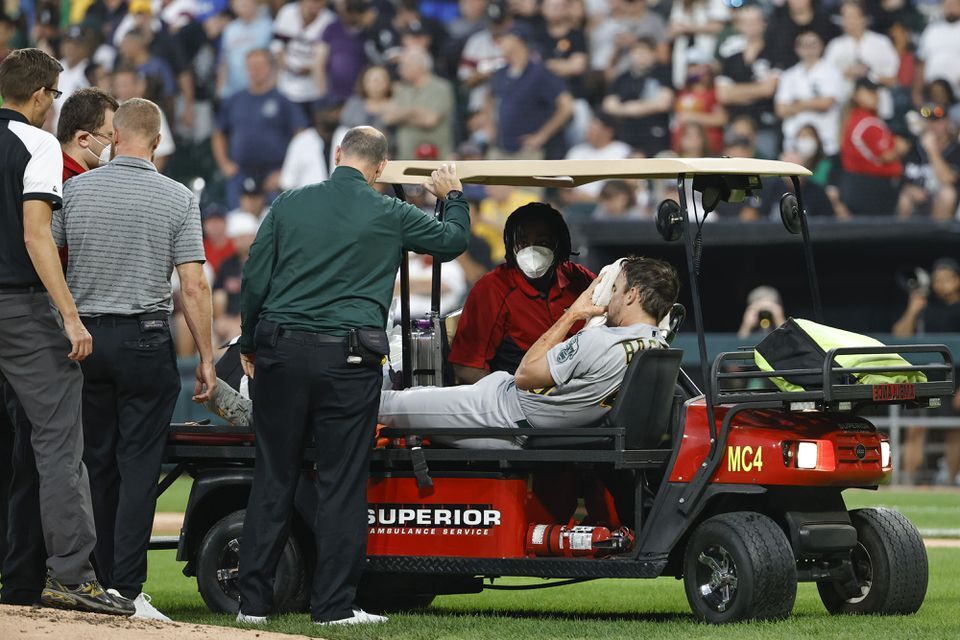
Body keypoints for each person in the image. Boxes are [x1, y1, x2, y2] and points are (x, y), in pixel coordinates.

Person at [235, 127, 470, 626]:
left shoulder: (289, 203)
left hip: (280, 353)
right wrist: (452, 197)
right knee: (341, 483)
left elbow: (255, 276)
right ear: (381, 168)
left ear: (337, 155)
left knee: (273, 477)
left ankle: (251, 605)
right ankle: (333, 608)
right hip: (349, 361)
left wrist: (251, 343)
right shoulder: (389, 211)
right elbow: (452, 242)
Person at [53, 97, 216, 620]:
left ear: (114, 137)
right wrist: (208, 357)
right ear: (158, 142)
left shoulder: (73, 190)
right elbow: (192, 285)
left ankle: (95, 582)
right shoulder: (177, 197)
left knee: (93, 464)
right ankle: (127, 587)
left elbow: (49, 262)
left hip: (85, 340)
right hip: (146, 340)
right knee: (139, 467)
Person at [0, 47, 131, 616]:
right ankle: (72, 576)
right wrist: (70, 315)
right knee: (57, 443)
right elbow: (37, 237)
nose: (54, 105)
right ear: (38, 96)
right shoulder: (39, 144)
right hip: (21, 309)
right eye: (55, 95)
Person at [380, 256, 680, 449]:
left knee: (383, 405)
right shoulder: (658, 347)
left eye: (615, 289)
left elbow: (525, 375)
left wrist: (572, 314)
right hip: (519, 421)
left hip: (500, 411)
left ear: (632, 295)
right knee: (419, 429)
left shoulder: (601, 341)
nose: (610, 296)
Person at [449, 203, 596, 384]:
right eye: (523, 243)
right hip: (522, 396)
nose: (532, 251)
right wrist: (509, 398)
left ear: (560, 243)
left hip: (582, 387)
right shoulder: (492, 289)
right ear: (511, 245)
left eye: (542, 242)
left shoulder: (579, 278)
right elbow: (467, 368)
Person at [892, 258, 960, 485]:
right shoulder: (925, 306)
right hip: (924, 380)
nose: (940, 284)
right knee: (914, 429)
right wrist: (913, 309)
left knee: (954, 431)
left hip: (953, 381)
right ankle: (906, 482)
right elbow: (899, 336)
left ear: (957, 281)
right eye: (937, 279)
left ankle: (950, 482)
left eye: (946, 279)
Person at [212, 49, 308, 208]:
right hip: (240, 172)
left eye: (259, 65)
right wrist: (224, 164)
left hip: (274, 173)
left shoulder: (283, 101)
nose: (254, 71)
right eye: (250, 66)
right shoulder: (234, 100)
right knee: (238, 222)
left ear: (270, 67)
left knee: (275, 221)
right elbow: (218, 134)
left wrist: (286, 171)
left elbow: (302, 136)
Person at [486, 22, 574, 160]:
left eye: (504, 37)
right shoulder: (501, 73)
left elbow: (566, 105)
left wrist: (542, 135)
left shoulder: (539, 73)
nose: (500, 42)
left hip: (527, 152)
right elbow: (488, 97)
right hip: (500, 147)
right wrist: (488, 124)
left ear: (518, 40)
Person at [716, 4, 781, 160]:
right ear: (739, 25)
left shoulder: (774, 53)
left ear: (763, 23)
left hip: (764, 127)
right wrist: (757, 89)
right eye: (745, 22)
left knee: (765, 174)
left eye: (754, 21)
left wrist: (736, 91)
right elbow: (723, 95)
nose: (750, 26)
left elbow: (769, 90)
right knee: (731, 172)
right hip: (734, 126)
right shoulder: (730, 57)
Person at [774, 30, 846, 157]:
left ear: (821, 46)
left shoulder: (832, 73)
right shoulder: (789, 75)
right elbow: (780, 110)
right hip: (793, 142)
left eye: (813, 44)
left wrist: (797, 104)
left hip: (825, 140)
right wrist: (813, 102)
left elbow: (826, 103)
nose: (809, 49)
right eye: (804, 45)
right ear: (797, 48)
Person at [838, 77, 904, 216]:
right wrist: (901, 146)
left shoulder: (855, 118)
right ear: (856, 95)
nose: (874, 95)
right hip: (871, 188)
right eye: (868, 91)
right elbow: (887, 155)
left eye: (875, 91)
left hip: (859, 186)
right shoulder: (867, 122)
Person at [602, 37, 674, 157]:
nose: (641, 56)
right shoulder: (622, 78)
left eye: (645, 52)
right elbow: (608, 105)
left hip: (655, 134)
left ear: (654, 54)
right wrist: (631, 109)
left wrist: (630, 108)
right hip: (626, 135)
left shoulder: (663, 74)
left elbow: (664, 103)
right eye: (637, 52)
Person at [382, 46, 455, 161]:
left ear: (418, 66)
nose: (399, 70)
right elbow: (389, 118)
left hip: (436, 159)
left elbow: (430, 120)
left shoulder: (441, 88)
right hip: (405, 159)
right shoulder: (402, 89)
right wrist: (414, 111)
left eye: (403, 66)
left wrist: (402, 116)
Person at [898, 103, 960, 220]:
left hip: (944, 208)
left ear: (947, 122)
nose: (932, 125)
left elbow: (948, 179)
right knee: (905, 198)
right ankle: (901, 238)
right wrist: (909, 188)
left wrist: (932, 151)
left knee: (948, 194)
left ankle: (937, 238)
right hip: (917, 202)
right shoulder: (914, 148)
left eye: (937, 121)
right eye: (929, 121)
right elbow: (899, 179)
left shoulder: (956, 150)